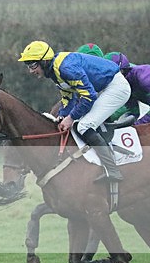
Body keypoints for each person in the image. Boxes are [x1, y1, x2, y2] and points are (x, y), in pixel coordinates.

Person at [18, 40, 131, 182]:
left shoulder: (65, 68)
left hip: (116, 88)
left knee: (83, 126)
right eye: (28, 66)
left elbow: (88, 96)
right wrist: (62, 115)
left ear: (44, 61)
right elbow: (68, 97)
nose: (31, 71)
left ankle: (113, 170)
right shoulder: (54, 71)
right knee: (79, 123)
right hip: (105, 87)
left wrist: (71, 117)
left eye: (33, 65)